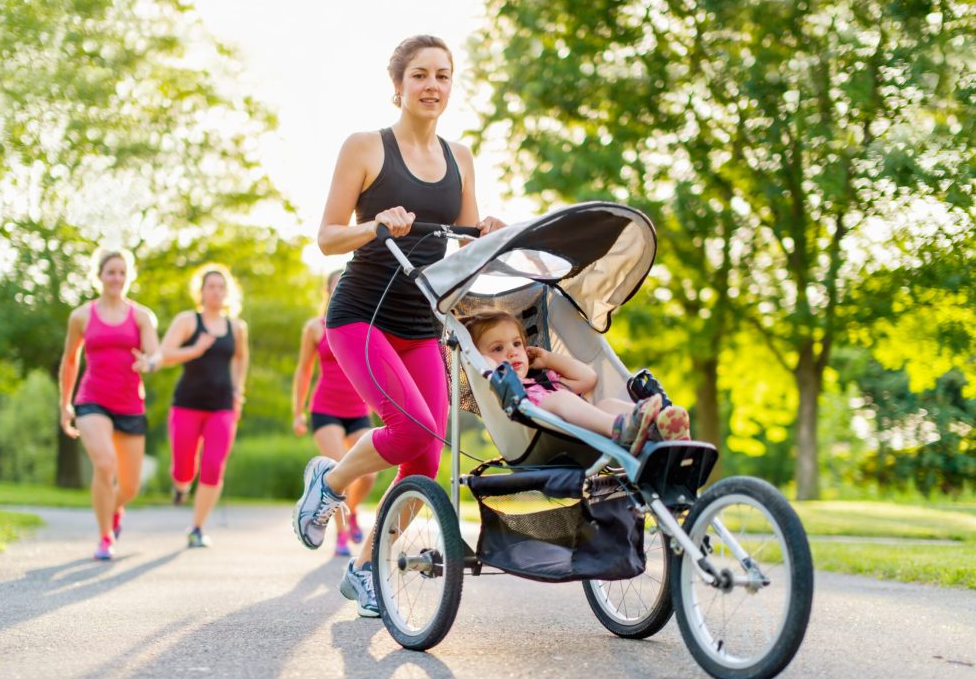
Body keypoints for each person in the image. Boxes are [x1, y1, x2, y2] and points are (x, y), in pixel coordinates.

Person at [292, 34, 505, 617]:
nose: (432, 85)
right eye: (420, 75)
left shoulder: (460, 158)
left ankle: (365, 569)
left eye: (442, 75)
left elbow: (457, 245)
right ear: (398, 86)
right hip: (362, 315)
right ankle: (330, 485)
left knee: (426, 458)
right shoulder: (365, 147)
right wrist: (376, 225)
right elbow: (328, 235)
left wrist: (483, 233)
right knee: (408, 430)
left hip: (422, 323)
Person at [462, 308, 691, 452]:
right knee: (562, 397)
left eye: (517, 344)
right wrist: (478, 356)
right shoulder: (507, 389)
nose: (512, 352)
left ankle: (659, 428)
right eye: (498, 347)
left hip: (585, 431)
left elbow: (588, 378)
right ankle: (622, 428)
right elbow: (487, 367)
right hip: (541, 437)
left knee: (606, 404)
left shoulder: (547, 382)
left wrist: (548, 359)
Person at [136, 264, 248, 548]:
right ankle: (180, 485)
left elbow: (239, 359)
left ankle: (197, 527)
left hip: (222, 405)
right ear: (201, 291)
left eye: (221, 287)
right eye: (211, 286)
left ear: (227, 292)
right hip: (187, 403)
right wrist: (195, 349)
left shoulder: (237, 327)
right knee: (184, 466)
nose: (216, 292)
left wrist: (238, 390)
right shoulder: (188, 320)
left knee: (212, 466)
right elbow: (164, 354)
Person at [59, 248, 161, 560]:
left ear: (128, 277)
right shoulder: (81, 316)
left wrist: (150, 362)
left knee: (129, 488)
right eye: (110, 272)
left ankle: (115, 509)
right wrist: (65, 404)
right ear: (99, 276)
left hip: (130, 403)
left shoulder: (142, 316)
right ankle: (105, 538)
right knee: (104, 464)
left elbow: (155, 353)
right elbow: (70, 361)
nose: (116, 278)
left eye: (121, 272)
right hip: (92, 400)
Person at [291, 269, 377, 557]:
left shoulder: (365, 324)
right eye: (337, 285)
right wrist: (297, 412)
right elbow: (303, 371)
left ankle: (350, 512)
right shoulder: (315, 327)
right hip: (325, 409)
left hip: (357, 409)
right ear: (328, 291)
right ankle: (341, 535)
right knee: (340, 467)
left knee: (368, 474)